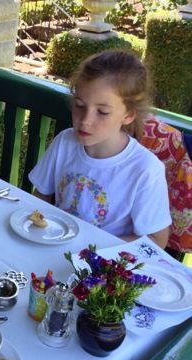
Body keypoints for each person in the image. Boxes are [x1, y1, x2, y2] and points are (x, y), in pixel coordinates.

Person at [28, 49, 171, 248]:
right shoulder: (65, 142)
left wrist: (91, 249)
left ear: (128, 115)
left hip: (102, 267)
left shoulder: (145, 169)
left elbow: (157, 240)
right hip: (53, 248)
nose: (85, 121)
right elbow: (40, 196)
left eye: (102, 112)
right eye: (79, 105)